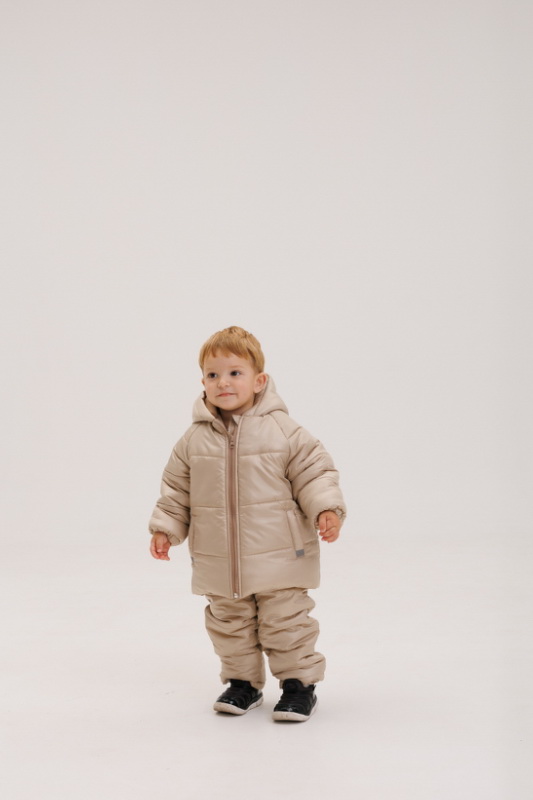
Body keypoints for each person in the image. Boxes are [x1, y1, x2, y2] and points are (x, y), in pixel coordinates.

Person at [148, 326, 346, 722]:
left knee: (286, 622)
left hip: (281, 556)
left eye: (235, 373)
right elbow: (176, 489)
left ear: (259, 381)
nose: (223, 382)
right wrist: (165, 528)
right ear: (203, 382)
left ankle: (298, 686)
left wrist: (326, 508)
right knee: (229, 625)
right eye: (213, 374)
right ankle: (242, 684)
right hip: (219, 558)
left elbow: (314, 472)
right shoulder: (193, 440)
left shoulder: (284, 431)